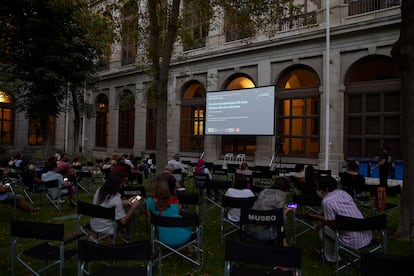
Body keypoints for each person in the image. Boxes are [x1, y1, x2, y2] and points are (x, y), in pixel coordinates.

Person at [308, 175, 372, 263]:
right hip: (367, 235)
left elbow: (332, 224)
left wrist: (318, 218)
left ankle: (331, 257)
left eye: (318, 187)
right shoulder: (343, 193)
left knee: (323, 229)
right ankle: (328, 254)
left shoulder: (327, 201)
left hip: (352, 241)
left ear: (325, 188)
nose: (317, 189)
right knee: (325, 227)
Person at [146, 176, 192, 247]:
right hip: (182, 237)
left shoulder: (148, 202)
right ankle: (189, 247)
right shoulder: (174, 200)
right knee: (186, 224)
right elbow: (177, 212)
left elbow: (151, 219)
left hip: (163, 238)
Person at [243, 177, 292, 241]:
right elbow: (282, 220)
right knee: (280, 226)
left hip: (248, 230)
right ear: (285, 189)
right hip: (266, 235)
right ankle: (284, 245)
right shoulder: (281, 195)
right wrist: (286, 211)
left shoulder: (264, 191)